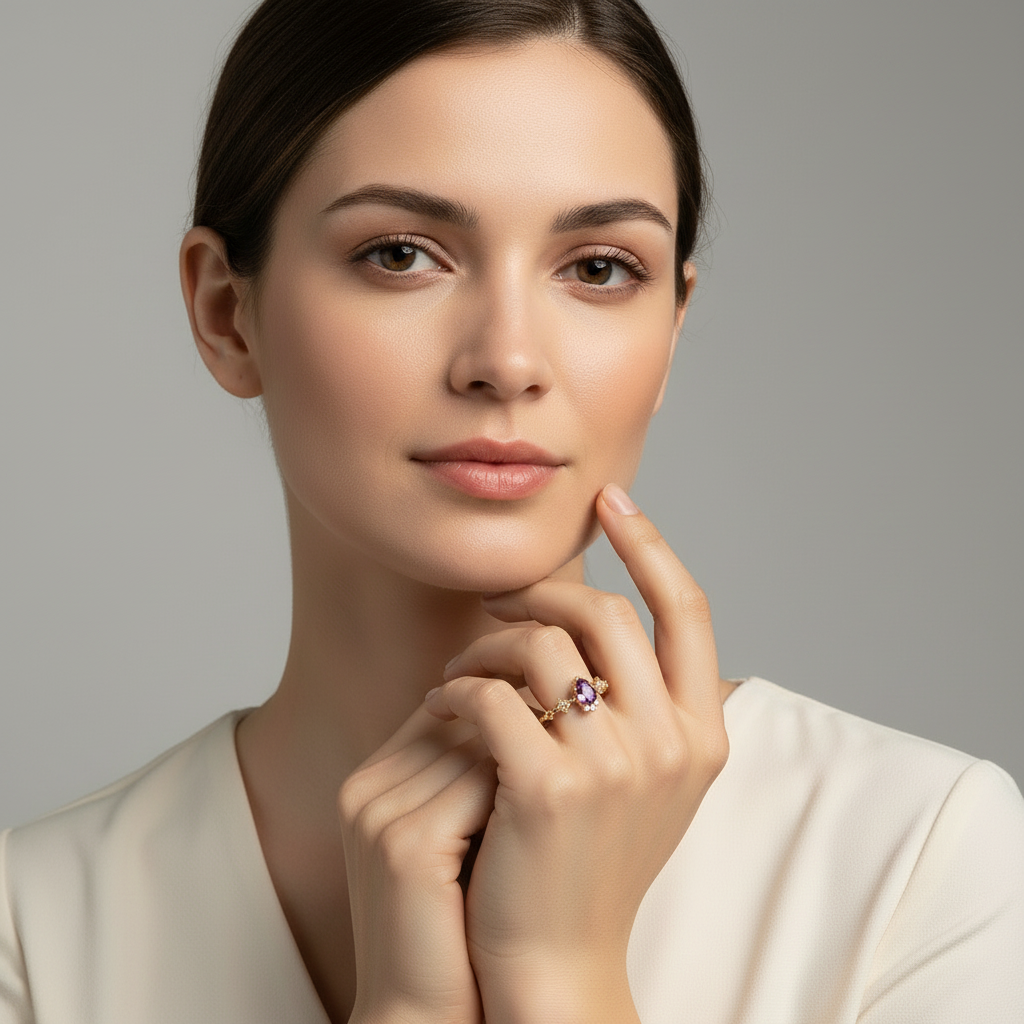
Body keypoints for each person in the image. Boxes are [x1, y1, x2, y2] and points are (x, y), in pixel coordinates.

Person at [1, 0, 1022, 1022]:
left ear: (671, 327)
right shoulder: (32, 927)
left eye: (597, 269)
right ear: (227, 313)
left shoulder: (917, 852)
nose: (508, 361)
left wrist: (559, 973)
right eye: (400, 253)